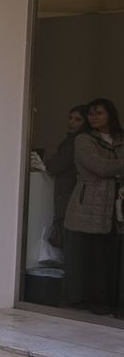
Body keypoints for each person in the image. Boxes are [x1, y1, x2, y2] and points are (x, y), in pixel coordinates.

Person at [63, 98, 124, 314]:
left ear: (110, 115)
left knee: (110, 258)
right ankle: (88, 304)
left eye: (99, 113)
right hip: (87, 206)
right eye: (90, 114)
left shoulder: (120, 138)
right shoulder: (83, 139)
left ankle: (109, 304)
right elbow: (99, 166)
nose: (94, 117)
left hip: (115, 208)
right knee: (89, 258)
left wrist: (114, 169)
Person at [45, 105, 86, 249]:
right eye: (70, 118)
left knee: (68, 238)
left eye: (77, 119)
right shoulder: (78, 140)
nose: (71, 122)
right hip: (74, 191)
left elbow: (58, 164)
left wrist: (46, 163)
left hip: (70, 190)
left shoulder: (75, 141)